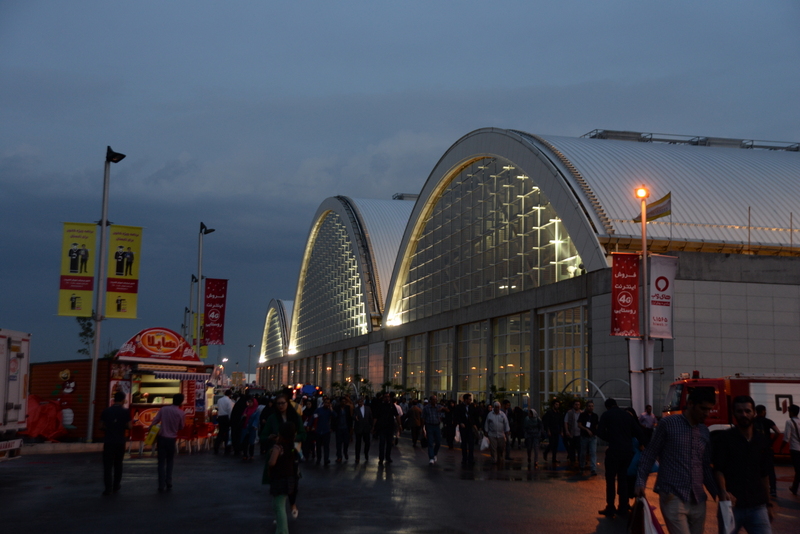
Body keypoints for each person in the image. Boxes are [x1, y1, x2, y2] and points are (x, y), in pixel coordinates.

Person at [635, 387, 718, 534]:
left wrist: (719, 492)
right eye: (703, 408)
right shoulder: (668, 424)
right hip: (673, 495)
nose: (706, 413)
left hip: (698, 498)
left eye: (709, 409)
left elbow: (705, 465)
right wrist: (640, 481)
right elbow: (650, 453)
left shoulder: (704, 431)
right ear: (690, 404)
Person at [713, 395, 774, 534]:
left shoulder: (761, 440)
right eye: (739, 411)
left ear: (754, 413)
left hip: (758, 506)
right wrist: (723, 491)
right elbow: (718, 469)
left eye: (747, 411)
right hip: (731, 506)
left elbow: (764, 475)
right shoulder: (724, 439)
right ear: (734, 413)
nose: (744, 415)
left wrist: (768, 504)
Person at [597, 398, 642, 517]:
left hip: (614, 451)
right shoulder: (627, 415)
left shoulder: (606, 415)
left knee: (610, 479)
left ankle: (610, 507)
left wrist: (611, 438)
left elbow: (600, 432)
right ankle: (623, 506)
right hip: (627, 452)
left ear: (607, 406)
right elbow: (638, 431)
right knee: (623, 479)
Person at [266, 423, 299, 534]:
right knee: (279, 503)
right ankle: (281, 530)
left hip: (278, 479)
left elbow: (272, 462)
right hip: (289, 479)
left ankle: (283, 531)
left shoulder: (278, 447)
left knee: (279, 506)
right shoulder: (291, 446)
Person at [149, 393, 185, 493]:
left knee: (161, 462)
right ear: (181, 402)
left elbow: (156, 420)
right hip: (171, 439)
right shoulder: (181, 413)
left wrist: (150, 427)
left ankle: (161, 484)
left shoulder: (164, 409)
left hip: (161, 438)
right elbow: (181, 427)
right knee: (170, 461)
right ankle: (168, 481)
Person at [100, 391, 131, 496]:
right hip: (120, 441)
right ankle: (116, 485)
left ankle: (108, 488)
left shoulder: (106, 411)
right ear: (123, 400)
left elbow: (100, 426)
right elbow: (130, 426)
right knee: (118, 464)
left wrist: (109, 427)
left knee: (107, 466)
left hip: (108, 441)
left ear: (113, 400)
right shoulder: (125, 412)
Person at [753, 405, 779, 498]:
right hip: (767, 448)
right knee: (770, 469)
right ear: (764, 411)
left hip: (756, 448)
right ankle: (773, 489)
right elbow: (777, 432)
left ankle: (757, 489)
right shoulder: (768, 421)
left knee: (756, 469)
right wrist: (771, 442)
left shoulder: (752, 421)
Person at [373, 392, 402, 465]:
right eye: (385, 397)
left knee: (389, 443)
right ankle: (381, 458)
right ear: (383, 398)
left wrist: (400, 425)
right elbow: (376, 417)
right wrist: (373, 426)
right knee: (382, 443)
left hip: (390, 427)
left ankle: (388, 457)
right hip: (382, 427)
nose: (387, 398)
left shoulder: (392, 406)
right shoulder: (380, 406)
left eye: (388, 397)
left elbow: (397, 415)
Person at [454, 393, 480, 466]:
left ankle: (471, 458)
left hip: (470, 426)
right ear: (465, 400)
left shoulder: (472, 407)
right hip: (463, 427)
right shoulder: (459, 407)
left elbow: (475, 416)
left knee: (471, 443)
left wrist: (476, 425)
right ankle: (464, 458)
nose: (470, 401)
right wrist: (460, 422)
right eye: (469, 399)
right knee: (464, 443)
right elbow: (456, 416)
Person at [484, 401, 510, 466]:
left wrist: (507, 430)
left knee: (501, 448)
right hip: (492, 434)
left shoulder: (503, 415)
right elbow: (487, 423)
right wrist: (486, 431)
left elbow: (506, 423)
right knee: (493, 448)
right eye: (496, 407)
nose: (497, 409)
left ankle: (500, 458)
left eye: (498, 407)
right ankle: (494, 459)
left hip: (501, 434)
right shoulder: (490, 414)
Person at [782, 404, 800, 496]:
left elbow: (786, 438)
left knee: (798, 470)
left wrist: (781, 448)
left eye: (789, 411)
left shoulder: (789, 422)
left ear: (792, 412)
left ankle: (794, 488)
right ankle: (794, 488)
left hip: (795, 449)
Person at [578, 400, 599, 475]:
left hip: (593, 436)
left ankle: (593, 468)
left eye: (592, 406)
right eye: (589, 406)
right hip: (584, 436)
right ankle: (582, 465)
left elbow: (596, 425)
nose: (591, 407)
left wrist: (596, 432)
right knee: (583, 452)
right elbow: (579, 424)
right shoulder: (583, 415)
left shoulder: (595, 416)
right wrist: (586, 429)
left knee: (593, 452)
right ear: (586, 407)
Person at [423, 394, 444, 465]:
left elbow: (448, 410)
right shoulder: (426, 408)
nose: (435, 401)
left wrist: (442, 408)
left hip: (437, 426)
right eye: (433, 400)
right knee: (430, 442)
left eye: (436, 400)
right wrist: (423, 428)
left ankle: (435, 453)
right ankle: (431, 457)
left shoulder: (438, 407)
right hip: (429, 425)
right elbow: (423, 417)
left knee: (438, 442)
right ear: (430, 400)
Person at [313, 397, 334, 465]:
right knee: (318, 446)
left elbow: (335, 416)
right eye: (326, 403)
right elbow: (313, 417)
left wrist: (331, 410)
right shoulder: (319, 410)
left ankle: (326, 459)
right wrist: (310, 425)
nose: (327, 404)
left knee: (326, 446)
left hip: (326, 431)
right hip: (319, 430)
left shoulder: (329, 411)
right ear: (323, 403)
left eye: (328, 403)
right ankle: (319, 459)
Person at [352, 396, 373, 464]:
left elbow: (370, 417)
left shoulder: (368, 408)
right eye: (359, 402)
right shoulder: (356, 409)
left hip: (366, 428)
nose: (360, 403)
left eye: (361, 401)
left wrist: (371, 426)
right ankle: (357, 457)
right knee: (358, 443)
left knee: (367, 442)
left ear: (363, 402)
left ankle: (366, 453)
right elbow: (353, 416)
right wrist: (355, 417)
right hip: (359, 428)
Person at [333, 396, 353, 463]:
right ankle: (339, 456)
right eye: (342, 401)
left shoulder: (347, 408)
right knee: (338, 443)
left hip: (346, 428)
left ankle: (345, 451)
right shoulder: (336, 408)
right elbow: (334, 418)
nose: (344, 403)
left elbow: (349, 418)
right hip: (339, 428)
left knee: (346, 442)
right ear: (340, 402)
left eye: (344, 401)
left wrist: (350, 427)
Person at [214, 389, 234, 454]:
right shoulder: (229, 401)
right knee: (227, 433)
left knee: (220, 433)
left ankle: (216, 447)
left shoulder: (219, 400)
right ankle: (227, 448)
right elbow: (230, 411)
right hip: (226, 417)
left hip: (220, 417)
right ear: (230, 395)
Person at [543, 400, 562, 465]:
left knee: (555, 444)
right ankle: (546, 452)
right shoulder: (549, 412)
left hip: (556, 430)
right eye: (556, 404)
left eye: (558, 404)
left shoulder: (558, 413)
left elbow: (560, 422)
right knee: (552, 443)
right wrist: (548, 430)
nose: (557, 406)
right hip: (551, 429)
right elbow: (547, 422)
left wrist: (561, 430)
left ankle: (554, 458)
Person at [564, 399, 582, 467]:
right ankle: (572, 460)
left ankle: (580, 461)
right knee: (572, 448)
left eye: (578, 405)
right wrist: (567, 430)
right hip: (572, 433)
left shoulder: (582, 413)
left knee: (580, 448)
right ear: (573, 405)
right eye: (576, 404)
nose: (577, 406)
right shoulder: (569, 413)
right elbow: (566, 422)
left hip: (580, 433)